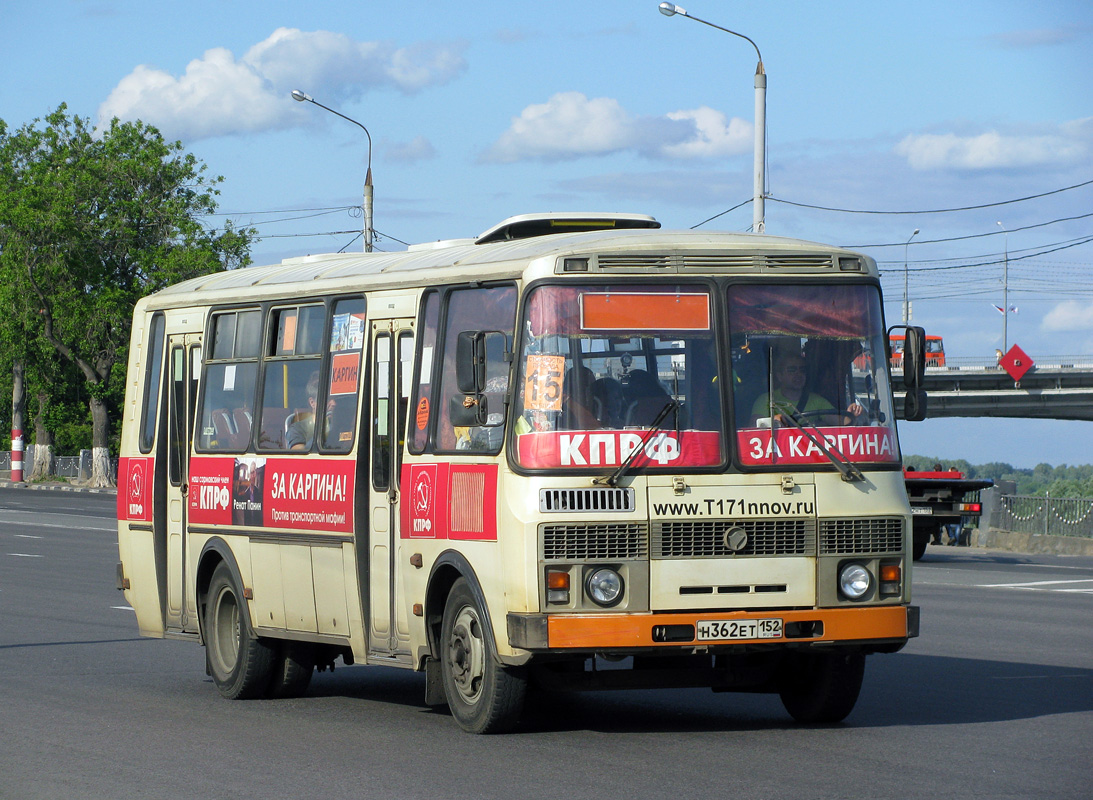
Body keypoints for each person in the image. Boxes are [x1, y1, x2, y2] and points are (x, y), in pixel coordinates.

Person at [751, 351, 844, 425]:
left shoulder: (816, 401)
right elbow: (753, 430)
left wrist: (853, 414)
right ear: (780, 376)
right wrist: (772, 422)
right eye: (792, 370)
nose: (798, 374)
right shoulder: (767, 401)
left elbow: (842, 423)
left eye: (802, 370)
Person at [287, 371, 322, 450]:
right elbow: (298, 455)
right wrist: (322, 435)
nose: (333, 403)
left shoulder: (341, 425)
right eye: (328, 399)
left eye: (335, 399)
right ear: (312, 402)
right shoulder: (297, 429)